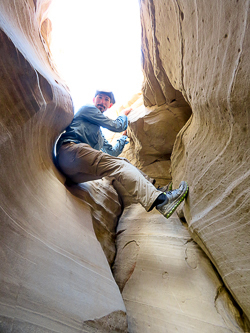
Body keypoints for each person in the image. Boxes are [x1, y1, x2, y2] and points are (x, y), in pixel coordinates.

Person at [55, 89, 188, 218]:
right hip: (69, 152)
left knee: (123, 163)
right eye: (100, 97)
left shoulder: (99, 135)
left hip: (75, 175)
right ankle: (161, 201)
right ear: (93, 99)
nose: (102, 101)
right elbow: (116, 126)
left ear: (110, 105)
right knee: (119, 166)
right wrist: (123, 115)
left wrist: (124, 137)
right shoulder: (87, 108)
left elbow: (113, 152)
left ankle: (156, 190)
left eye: (106, 99)